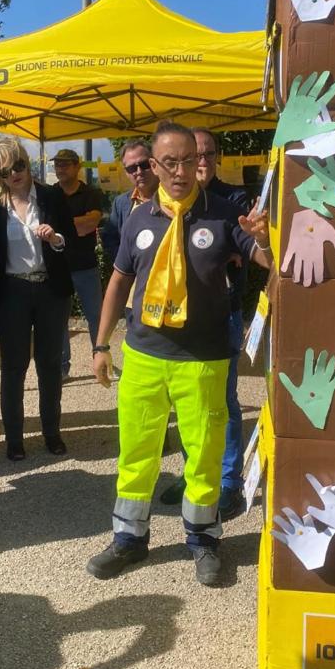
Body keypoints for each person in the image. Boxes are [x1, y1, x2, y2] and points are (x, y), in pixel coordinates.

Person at [86, 120, 272, 587]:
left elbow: (270, 263)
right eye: (170, 162)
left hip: (204, 360)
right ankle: (128, 539)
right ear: (153, 165)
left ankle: (204, 540)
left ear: (201, 162)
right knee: (137, 450)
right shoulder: (137, 219)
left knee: (204, 453)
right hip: (144, 355)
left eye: (191, 160)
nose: (182, 170)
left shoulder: (227, 215)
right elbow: (119, 282)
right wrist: (100, 344)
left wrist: (264, 240)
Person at [161, 128, 251, 521]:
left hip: (221, 314)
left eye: (208, 154)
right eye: (192, 155)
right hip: (178, 319)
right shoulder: (170, 201)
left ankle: (228, 482)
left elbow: (243, 254)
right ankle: (193, 471)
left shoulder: (234, 201)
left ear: (217, 158)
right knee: (187, 402)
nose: (200, 162)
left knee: (223, 403)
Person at [0, 138, 74, 460]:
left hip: (50, 290)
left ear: (26, 163)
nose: (14, 174)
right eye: (4, 171)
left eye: (18, 165)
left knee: (49, 365)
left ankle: (52, 433)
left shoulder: (51, 196)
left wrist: (56, 239)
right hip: (12, 293)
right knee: (13, 367)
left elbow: (70, 241)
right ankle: (14, 439)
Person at [51, 148, 105, 379]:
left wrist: (60, 226)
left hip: (86, 266)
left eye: (64, 164)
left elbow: (90, 224)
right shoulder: (50, 193)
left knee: (96, 317)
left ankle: (101, 361)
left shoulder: (91, 193)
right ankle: (62, 367)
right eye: (57, 165)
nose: (59, 169)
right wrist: (77, 224)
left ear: (77, 166)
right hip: (58, 267)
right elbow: (46, 227)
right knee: (58, 320)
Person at [101, 140, 159, 266]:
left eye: (144, 165)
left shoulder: (172, 198)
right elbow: (109, 237)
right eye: (132, 168)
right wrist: (125, 265)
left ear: (154, 164)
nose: (139, 171)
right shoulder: (121, 203)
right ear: (126, 173)